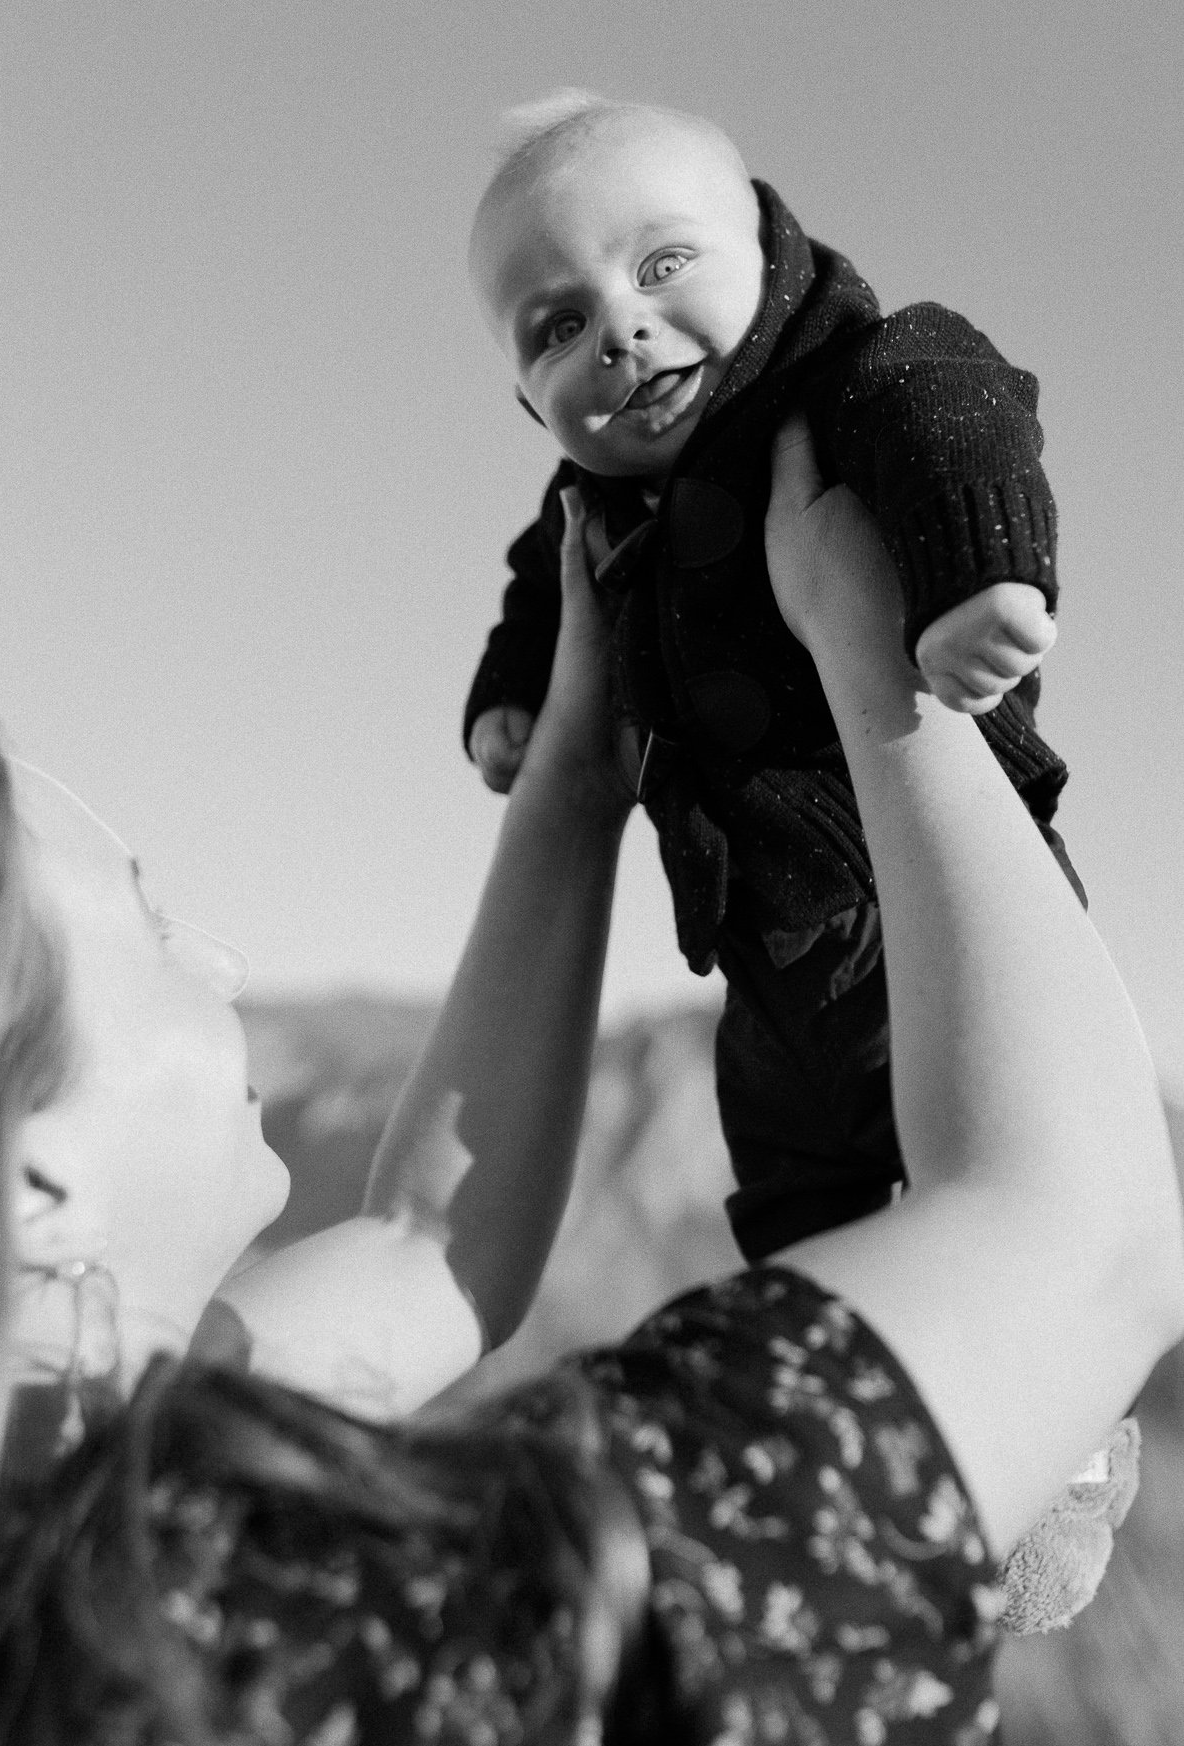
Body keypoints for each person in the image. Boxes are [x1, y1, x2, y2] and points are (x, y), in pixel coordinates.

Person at [0, 423, 1180, 1746]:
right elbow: (1077, 1237)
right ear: (23, 1177)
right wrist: (881, 675)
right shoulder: (371, 1637)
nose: (217, 961)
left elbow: (433, 1247)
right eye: (150, 932)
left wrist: (579, 778)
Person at [463, 92, 1081, 1262]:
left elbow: (957, 412)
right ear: (527, 401)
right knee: (798, 1220)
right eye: (556, 327)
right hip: (765, 957)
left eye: (662, 263)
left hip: (941, 895)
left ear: (763, 237)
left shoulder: (845, 374)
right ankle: (837, 1357)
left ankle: (1066, 1444)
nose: (620, 328)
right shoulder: (589, 511)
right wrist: (509, 700)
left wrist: (977, 579)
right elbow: (537, 594)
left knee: (1020, 1213)